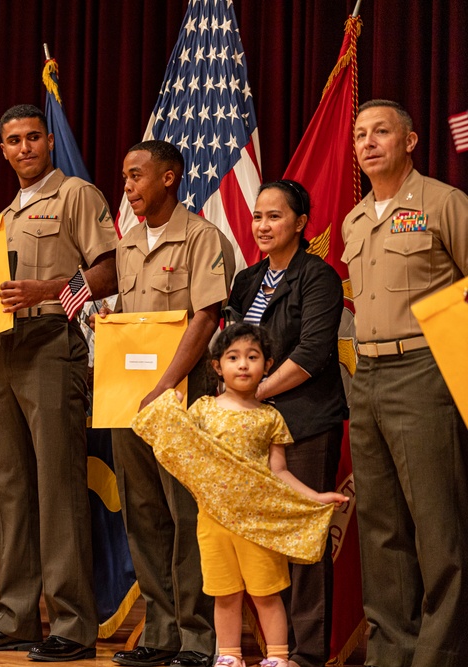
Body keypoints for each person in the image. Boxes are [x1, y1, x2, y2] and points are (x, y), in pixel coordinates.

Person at [0, 104, 118, 662]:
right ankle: (15, 616)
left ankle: (71, 625)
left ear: (47, 142)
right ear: (3, 149)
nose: (24, 148)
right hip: (0, 352)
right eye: (12, 140)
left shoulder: (77, 196)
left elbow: (110, 269)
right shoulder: (2, 216)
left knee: (58, 490)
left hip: (50, 345)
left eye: (33, 137)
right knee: (7, 488)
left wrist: (47, 291)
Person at [131, 323, 347, 667]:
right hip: (213, 522)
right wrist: (169, 409)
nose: (243, 365)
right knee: (225, 594)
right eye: (233, 357)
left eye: (252, 357)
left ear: (269, 365)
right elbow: (180, 442)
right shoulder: (202, 409)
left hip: (258, 525)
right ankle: (229, 654)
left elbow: (280, 472)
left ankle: (277, 656)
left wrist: (315, 498)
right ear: (218, 366)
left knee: (267, 594)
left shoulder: (271, 418)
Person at [341, 99, 468, 667]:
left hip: (425, 370)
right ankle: (391, 652)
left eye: (381, 132)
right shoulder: (354, 218)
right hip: (366, 374)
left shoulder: (444, 202)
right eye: (361, 134)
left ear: (410, 141)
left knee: (438, 525)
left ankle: (440, 655)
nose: (368, 143)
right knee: (381, 526)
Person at [105, 140, 233, 667]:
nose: (129, 187)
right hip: (127, 400)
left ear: (169, 178)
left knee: (186, 515)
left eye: (137, 176)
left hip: (181, 395)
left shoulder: (202, 237)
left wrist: (165, 384)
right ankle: (159, 633)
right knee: (143, 513)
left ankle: (197, 636)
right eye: (126, 177)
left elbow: (206, 318)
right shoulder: (127, 243)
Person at [226, 180, 347, 667]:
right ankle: (275, 647)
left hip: (304, 420)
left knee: (303, 533)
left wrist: (255, 392)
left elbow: (313, 353)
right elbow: (231, 347)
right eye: (257, 216)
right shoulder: (246, 280)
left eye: (274, 216)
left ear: (300, 223)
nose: (263, 225)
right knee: (261, 536)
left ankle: (307, 652)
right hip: (251, 426)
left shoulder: (319, 277)